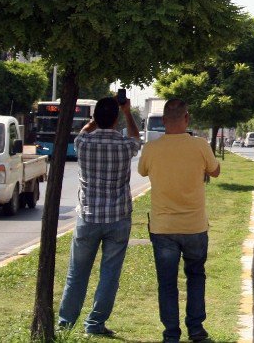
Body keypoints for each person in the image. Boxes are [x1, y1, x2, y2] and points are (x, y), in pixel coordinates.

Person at [58, 96, 141, 337]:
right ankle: (94, 324)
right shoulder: (125, 146)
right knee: (109, 274)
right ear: (116, 119)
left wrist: (97, 119)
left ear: (95, 118)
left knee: (77, 273)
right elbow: (136, 138)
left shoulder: (83, 143)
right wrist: (127, 112)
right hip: (117, 218)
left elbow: (84, 130)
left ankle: (65, 323)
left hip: (88, 217)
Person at [139, 99, 220, 343]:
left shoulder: (151, 149)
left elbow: (142, 171)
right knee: (196, 276)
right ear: (187, 119)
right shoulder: (200, 145)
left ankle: (171, 333)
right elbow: (215, 171)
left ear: (163, 120)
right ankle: (196, 329)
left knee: (167, 283)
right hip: (194, 226)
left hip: (163, 227)